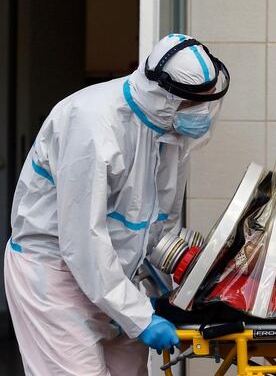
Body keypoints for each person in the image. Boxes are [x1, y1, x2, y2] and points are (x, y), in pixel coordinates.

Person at [4, 34, 230, 375]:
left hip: (116, 279)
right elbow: (82, 242)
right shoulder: (92, 123)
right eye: (192, 104)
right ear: (164, 96)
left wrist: (165, 296)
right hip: (55, 277)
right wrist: (138, 315)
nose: (200, 114)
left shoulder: (171, 133)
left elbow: (160, 227)